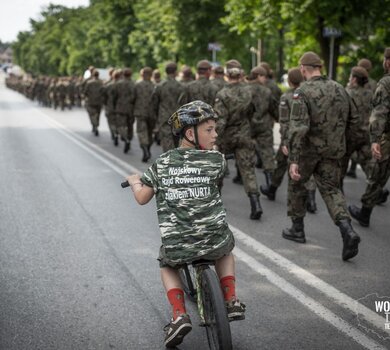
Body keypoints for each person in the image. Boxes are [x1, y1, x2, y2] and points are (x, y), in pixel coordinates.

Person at [125, 101, 246, 348]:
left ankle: (179, 315)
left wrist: (135, 180)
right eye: (209, 130)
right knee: (226, 250)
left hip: (179, 243)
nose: (215, 135)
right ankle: (231, 299)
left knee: (167, 265)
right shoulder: (216, 161)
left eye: (215, 129)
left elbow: (141, 198)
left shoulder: (163, 163)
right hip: (213, 238)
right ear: (190, 134)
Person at [284, 51, 361, 261]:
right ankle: (347, 230)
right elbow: (355, 123)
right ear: (320, 67)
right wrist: (345, 147)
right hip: (334, 151)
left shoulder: (303, 92)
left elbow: (298, 128)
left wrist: (293, 159)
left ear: (303, 69)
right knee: (331, 190)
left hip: (309, 152)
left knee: (297, 184)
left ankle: (297, 229)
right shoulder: (340, 89)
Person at [260, 67, 318, 213]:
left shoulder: (287, 97)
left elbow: (284, 122)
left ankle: (272, 189)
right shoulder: (310, 94)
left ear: (290, 81)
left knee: (280, 162)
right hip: (308, 137)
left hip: (292, 138)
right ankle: (311, 199)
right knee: (306, 167)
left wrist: (285, 141)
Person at [214, 59, 263, 220]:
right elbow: (254, 113)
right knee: (248, 170)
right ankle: (255, 204)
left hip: (226, 137)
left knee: (219, 169)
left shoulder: (222, 94)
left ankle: (216, 205)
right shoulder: (249, 92)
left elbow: (221, 120)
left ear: (227, 76)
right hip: (244, 134)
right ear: (241, 75)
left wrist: (214, 139)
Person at [349, 48, 390, 227]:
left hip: (386, 137)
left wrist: (375, 139)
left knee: (377, 175)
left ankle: (365, 213)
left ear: (387, 61)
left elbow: (379, 113)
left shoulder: (386, 83)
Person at [152, 62, 183, 152]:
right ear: (175, 72)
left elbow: (154, 103)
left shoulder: (159, 86)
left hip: (164, 116)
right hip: (177, 117)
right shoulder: (181, 86)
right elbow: (184, 103)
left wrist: (157, 115)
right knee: (177, 137)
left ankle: (170, 157)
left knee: (166, 138)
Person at [134, 67, 155, 162]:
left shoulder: (137, 85)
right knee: (150, 133)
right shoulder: (154, 86)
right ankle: (148, 148)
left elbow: (132, 98)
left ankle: (145, 149)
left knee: (142, 132)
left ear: (142, 74)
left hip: (140, 112)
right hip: (152, 113)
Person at [113, 68, 135, 153]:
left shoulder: (118, 84)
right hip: (131, 108)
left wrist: (115, 105)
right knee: (130, 125)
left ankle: (125, 139)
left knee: (121, 125)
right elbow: (135, 97)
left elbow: (114, 96)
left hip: (120, 108)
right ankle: (129, 138)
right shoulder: (134, 84)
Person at [84, 70, 103, 136]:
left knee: (92, 114)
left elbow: (85, 92)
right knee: (98, 114)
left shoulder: (89, 83)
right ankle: (96, 124)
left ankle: (94, 125)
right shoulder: (101, 82)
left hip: (90, 101)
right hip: (99, 101)